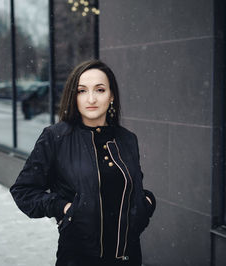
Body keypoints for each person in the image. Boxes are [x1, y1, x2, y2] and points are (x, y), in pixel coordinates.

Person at [10, 60, 156, 266]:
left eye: (100, 89)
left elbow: (133, 186)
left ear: (111, 95)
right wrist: (64, 208)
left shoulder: (127, 139)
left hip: (127, 257)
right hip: (78, 257)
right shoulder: (56, 137)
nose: (91, 98)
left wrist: (146, 204)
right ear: (73, 96)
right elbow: (23, 191)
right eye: (81, 91)